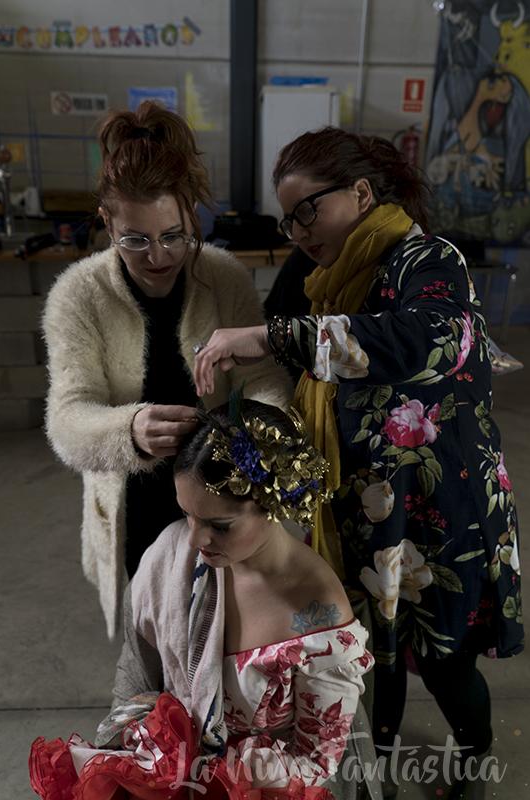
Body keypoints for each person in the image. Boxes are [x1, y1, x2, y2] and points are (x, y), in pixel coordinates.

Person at [192, 128, 524, 797]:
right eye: (288, 219)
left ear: (362, 192)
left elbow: (429, 340)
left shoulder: (427, 260)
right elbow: (294, 373)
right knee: (372, 655)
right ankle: (379, 773)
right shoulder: (320, 278)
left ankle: (475, 756)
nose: (297, 231)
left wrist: (272, 333)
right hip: (360, 509)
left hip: (440, 511)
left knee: (445, 661)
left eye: (307, 210)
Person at [30, 400, 380, 800]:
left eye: (219, 525)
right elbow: (136, 671)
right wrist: (135, 748)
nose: (195, 540)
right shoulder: (170, 554)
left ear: (277, 503)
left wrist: (214, 769)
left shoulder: (319, 614)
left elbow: (317, 762)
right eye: (187, 515)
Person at [42, 101, 291, 639]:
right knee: (157, 643)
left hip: (224, 496)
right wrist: (128, 430)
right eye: (136, 239)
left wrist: (253, 441)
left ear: (192, 216)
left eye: (174, 235)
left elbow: (266, 380)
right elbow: (66, 420)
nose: (158, 256)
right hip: (138, 509)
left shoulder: (223, 277)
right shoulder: (78, 296)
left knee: (231, 644)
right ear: (107, 222)